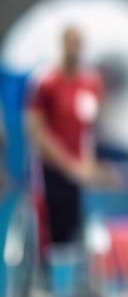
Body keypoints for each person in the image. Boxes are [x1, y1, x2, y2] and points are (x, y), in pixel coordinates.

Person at [24, 25, 113, 252]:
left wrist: (89, 165)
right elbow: (37, 131)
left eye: (78, 43)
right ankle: (53, 273)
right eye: (71, 43)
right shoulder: (46, 82)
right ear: (62, 45)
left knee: (81, 228)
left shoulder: (91, 84)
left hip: (81, 170)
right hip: (53, 170)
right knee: (55, 228)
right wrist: (68, 165)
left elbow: (91, 130)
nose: (75, 49)